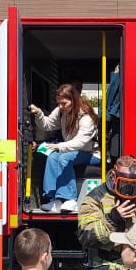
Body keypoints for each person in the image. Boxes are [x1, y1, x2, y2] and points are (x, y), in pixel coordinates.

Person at [28, 83, 100, 214]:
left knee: (63, 158)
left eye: (64, 104)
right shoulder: (61, 111)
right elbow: (47, 125)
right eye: (59, 103)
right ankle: (53, 199)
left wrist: (59, 146)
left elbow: (80, 142)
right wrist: (39, 114)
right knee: (52, 156)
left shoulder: (86, 117)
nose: (61, 107)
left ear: (74, 100)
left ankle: (69, 199)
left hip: (91, 154)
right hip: (71, 150)